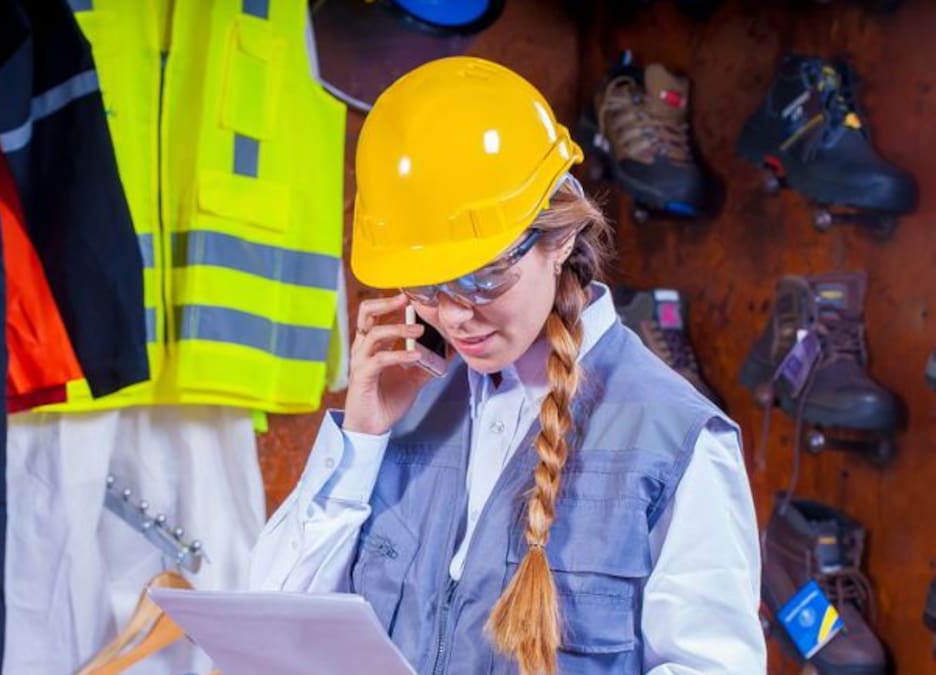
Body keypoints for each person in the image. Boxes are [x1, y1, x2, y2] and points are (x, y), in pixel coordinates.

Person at [249, 57, 765, 674]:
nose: (455, 316)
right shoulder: (405, 406)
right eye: (425, 287)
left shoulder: (674, 441)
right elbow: (269, 635)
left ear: (561, 236)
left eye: (483, 278)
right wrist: (361, 442)